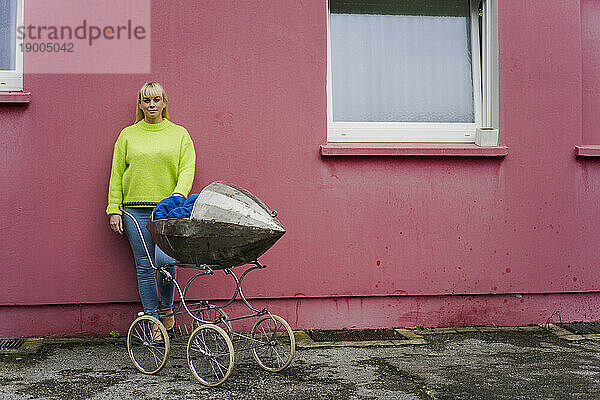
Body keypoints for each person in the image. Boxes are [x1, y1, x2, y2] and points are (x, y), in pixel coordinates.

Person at [106, 82, 196, 336]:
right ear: (140, 105)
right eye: (147, 100)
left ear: (164, 103)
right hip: (134, 212)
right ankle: (153, 320)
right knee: (145, 267)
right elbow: (116, 174)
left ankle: (167, 309)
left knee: (167, 264)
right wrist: (114, 208)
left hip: (167, 212)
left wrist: (178, 197)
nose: (152, 105)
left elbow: (186, 169)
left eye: (157, 100)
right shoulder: (128, 135)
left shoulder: (179, 134)